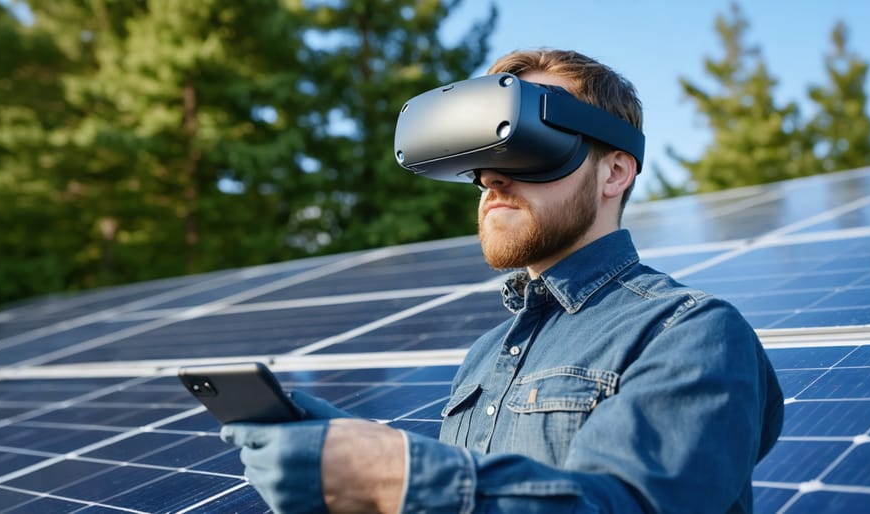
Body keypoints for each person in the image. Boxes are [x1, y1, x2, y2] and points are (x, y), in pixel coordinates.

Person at [221, 48, 784, 514]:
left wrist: (398, 475)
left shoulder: (690, 333)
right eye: (482, 162)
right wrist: (367, 457)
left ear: (615, 171)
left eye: (527, 146)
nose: (491, 179)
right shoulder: (486, 356)